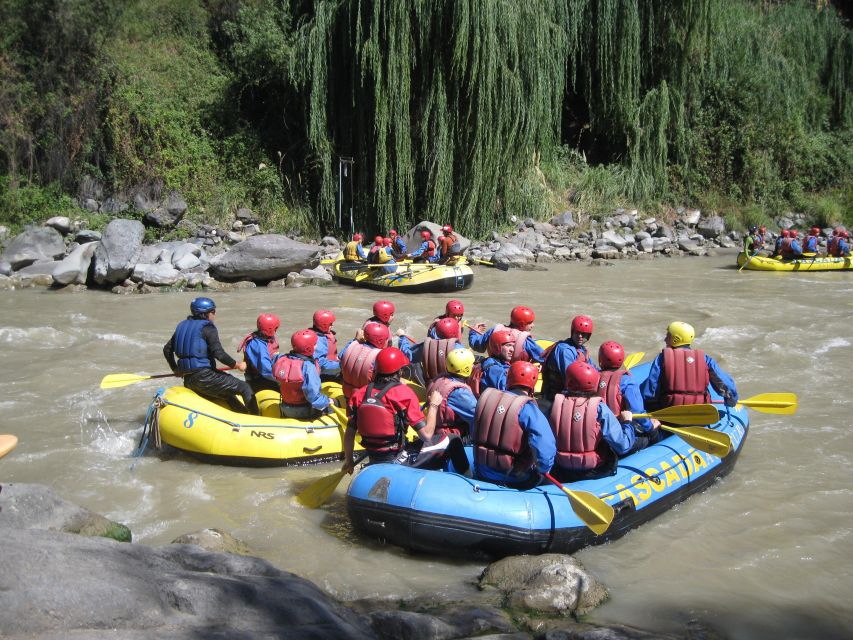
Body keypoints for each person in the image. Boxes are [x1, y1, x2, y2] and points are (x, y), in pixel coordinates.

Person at [342, 347, 442, 470]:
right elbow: (426, 435)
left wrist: (349, 461)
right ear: (400, 371)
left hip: (373, 456)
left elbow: (349, 435)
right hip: (397, 458)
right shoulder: (405, 393)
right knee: (451, 440)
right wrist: (434, 405)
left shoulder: (359, 394)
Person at [163, 297, 258, 415]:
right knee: (245, 388)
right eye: (213, 312)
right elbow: (219, 353)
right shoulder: (208, 327)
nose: (215, 314)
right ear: (205, 314)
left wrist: (175, 369)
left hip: (188, 380)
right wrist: (237, 365)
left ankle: (243, 415)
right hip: (205, 377)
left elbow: (167, 349)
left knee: (228, 394)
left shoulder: (182, 326)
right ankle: (258, 420)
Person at [473, 361, 556, 489]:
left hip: (481, 471)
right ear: (532, 386)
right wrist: (543, 469)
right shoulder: (528, 409)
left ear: (508, 379)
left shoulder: (487, 399)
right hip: (515, 478)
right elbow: (545, 448)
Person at [549, 361, 637, 482]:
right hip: (595, 470)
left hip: (561, 469)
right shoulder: (600, 409)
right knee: (643, 440)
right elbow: (622, 446)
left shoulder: (555, 406)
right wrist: (627, 423)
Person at [641, 321, 738, 411]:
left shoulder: (662, 358)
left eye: (668, 336)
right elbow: (724, 382)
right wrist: (731, 401)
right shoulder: (705, 359)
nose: (665, 339)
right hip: (699, 410)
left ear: (676, 339)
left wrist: (647, 407)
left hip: (668, 409)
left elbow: (650, 386)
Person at [596, 341, 661, 451]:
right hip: (619, 433)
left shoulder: (592, 378)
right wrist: (650, 426)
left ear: (600, 359)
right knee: (651, 434)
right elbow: (637, 411)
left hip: (598, 433)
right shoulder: (626, 381)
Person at [272, 330, 332, 419]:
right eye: (315, 344)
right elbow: (314, 397)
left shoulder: (280, 359)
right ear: (308, 348)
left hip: (285, 407)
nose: (317, 346)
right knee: (333, 404)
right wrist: (327, 401)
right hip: (304, 410)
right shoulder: (308, 366)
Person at [541, 314, 597, 402]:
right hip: (554, 397)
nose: (580, 336)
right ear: (572, 332)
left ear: (588, 336)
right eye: (577, 332)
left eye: (583, 334)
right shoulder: (564, 350)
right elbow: (571, 377)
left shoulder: (582, 350)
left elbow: (594, 370)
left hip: (570, 393)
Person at [426, 348, 478, 443]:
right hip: (451, 436)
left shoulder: (440, 378)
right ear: (466, 369)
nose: (474, 366)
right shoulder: (459, 392)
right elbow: (478, 416)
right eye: (472, 364)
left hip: (437, 428)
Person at [398, 317, 466, 383]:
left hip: (431, 384)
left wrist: (402, 337)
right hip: (452, 384)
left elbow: (407, 354)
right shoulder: (461, 349)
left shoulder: (427, 346)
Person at [468, 305, 544, 363]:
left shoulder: (495, 330)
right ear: (521, 324)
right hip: (515, 374)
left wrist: (474, 332)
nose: (533, 325)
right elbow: (543, 358)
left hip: (493, 366)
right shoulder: (526, 341)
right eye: (530, 323)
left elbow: (477, 345)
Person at [339, 321, 390, 399]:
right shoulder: (379, 356)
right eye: (387, 339)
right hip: (366, 398)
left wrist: (356, 340)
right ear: (380, 340)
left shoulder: (352, 345)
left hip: (347, 394)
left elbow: (340, 356)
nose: (388, 341)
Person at [237, 313, 281, 393]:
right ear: (270, 329)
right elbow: (266, 369)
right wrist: (283, 378)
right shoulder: (257, 345)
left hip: (268, 375)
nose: (276, 330)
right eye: (275, 328)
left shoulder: (268, 338)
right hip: (260, 380)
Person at [469, 329, 515, 396]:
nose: (512, 350)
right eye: (508, 345)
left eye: (513, 346)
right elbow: (508, 394)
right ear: (496, 347)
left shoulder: (490, 361)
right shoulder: (495, 369)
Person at [308, 310, 340, 379]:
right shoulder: (318, 340)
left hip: (332, 364)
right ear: (324, 325)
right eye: (330, 324)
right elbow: (321, 364)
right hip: (325, 373)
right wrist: (341, 364)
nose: (332, 325)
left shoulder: (322, 335)